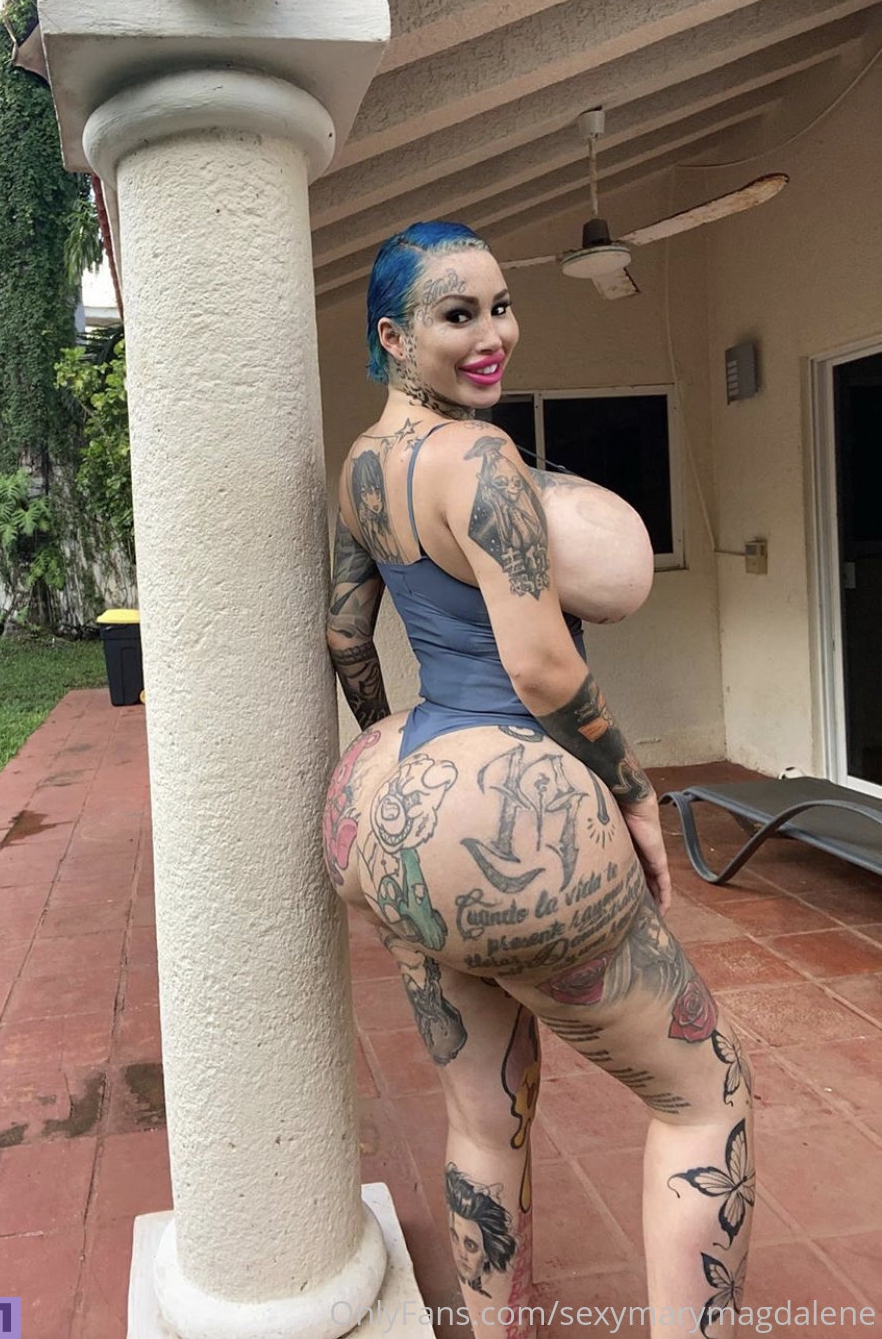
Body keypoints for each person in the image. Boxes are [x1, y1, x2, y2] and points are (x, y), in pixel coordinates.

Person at [322, 222, 754, 1339]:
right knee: (703, 1096)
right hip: (514, 811)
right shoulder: (481, 460)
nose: (493, 335)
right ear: (393, 336)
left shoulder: (360, 466)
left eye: (501, 307)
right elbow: (541, 666)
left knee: (484, 1115)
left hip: (387, 818)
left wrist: (403, 758)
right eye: (457, 315)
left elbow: (347, 639)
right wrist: (635, 790)